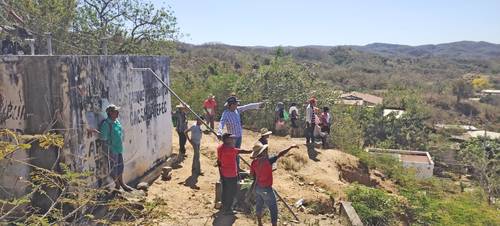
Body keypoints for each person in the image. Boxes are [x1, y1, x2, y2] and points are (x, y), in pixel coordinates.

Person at [250, 142, 299, 226]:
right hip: (266, 189)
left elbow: (252, 175)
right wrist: (290, 147)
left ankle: (259, 223)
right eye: (265, 150)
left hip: (258, 187)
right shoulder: (268, 160)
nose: (266, 151)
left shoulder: (254, 163)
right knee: (273, 208)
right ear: (263, 152)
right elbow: (280, 154)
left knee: (259, 204)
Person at [218, 96, 264, 171]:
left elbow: (247, 106)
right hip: (232, 139)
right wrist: (219, 132)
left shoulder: (237, 110)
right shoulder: (225, 114)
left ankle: (237, 168)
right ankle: (232, 169)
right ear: (231, 105)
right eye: (236, 103)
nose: (237, 105)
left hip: (239, 136)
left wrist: (258, 105)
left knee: (237, 152)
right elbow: (221, 123)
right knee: (233, 153)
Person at [99, 104, 133, 192]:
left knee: (120, 167)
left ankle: (122, 183)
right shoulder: (106, 124)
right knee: (113, 168)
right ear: (110, 113)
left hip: (118, 149)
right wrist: (108, 151)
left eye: (117, 111)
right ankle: (117, 185)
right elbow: (103, 139)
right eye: (115, 111)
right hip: (111, 150)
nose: (117, 113)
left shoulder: (116, 122)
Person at [217, 133, 253, 215]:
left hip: (223, 173)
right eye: (231, 138)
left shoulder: (219, 148)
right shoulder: (230, 150)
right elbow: (242, 151)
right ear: (226, 140)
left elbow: (219, 161)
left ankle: (224, 205)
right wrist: (252, 151)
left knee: (225, 190)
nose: (233, 140)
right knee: (232, 191)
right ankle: (228, 209)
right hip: (231, 174)